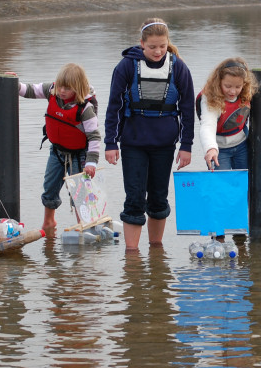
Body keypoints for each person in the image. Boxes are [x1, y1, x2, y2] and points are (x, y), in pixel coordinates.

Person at [104, 18, 194, 251]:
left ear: (168, 43)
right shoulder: (126, 66)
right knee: (134, 198)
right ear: (142, 43)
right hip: (133, 142)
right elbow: (113, 106)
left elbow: (186, 110)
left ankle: (156, 252)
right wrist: (110, 142)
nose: (158, 51)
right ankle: (132, 254)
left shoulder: (179, 68)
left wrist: (187, 146)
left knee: (158, 198)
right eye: (152, 46)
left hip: (164, 144)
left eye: (162, 46)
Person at [16, 63, 100, 233]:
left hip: (80, 155)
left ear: (77, 88)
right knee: (49, 187)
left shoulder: (86, 109)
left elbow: (94, 137)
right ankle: (49, 223)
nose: (62, 91)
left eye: (67, 88)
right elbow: (29, 90)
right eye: (60, 85)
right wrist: (14, 83)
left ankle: (83, 225)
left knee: (79, 194)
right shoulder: (52, 90)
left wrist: (92, 163)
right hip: (57, 152)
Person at [197, 57, 259, 170]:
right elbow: (207, 125)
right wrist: (210, 148)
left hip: (242, 146)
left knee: (244, 184)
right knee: (222, 184)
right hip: (219, 149)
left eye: (238, 87)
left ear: (244, 84)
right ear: (219, 81)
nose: (232, 91)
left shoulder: (246, 91)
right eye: (228, 86)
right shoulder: (209, 98)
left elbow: (257, 102)